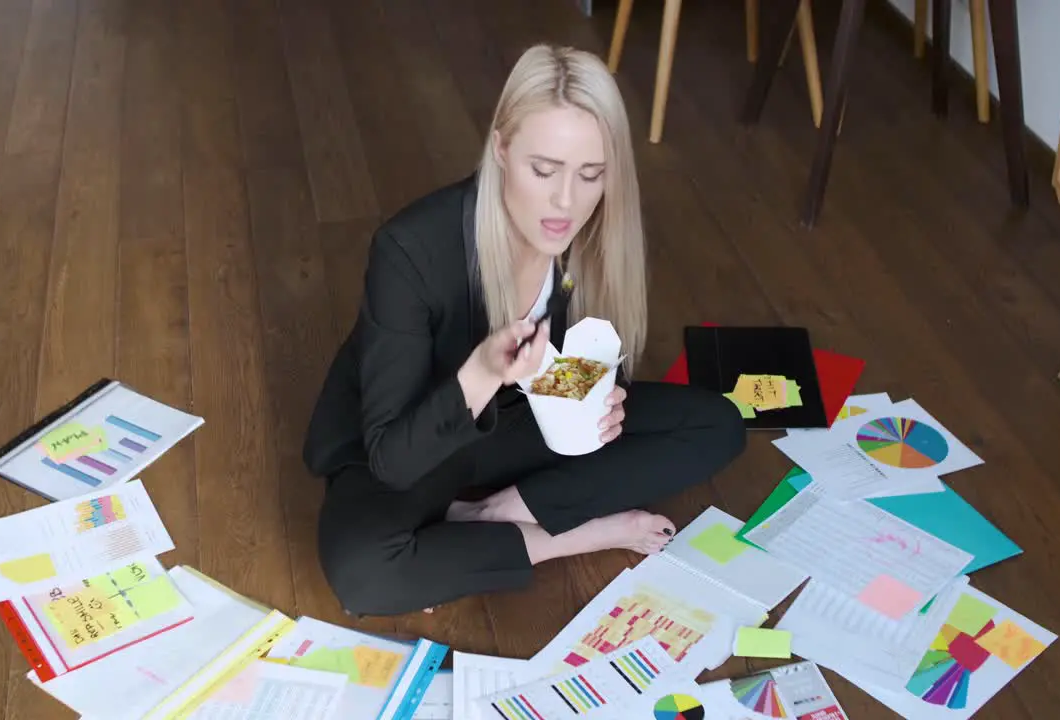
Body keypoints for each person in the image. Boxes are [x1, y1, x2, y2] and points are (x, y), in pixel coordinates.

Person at [302, 44, 746, 617]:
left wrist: (595, 398)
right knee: (365, 575)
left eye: (591, 175)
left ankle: (493, 515)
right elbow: (393, 459)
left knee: (718, 425)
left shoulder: (593, 231)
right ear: (501, 150)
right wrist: (484, 370)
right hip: (424, 439)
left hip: (524, 426)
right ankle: (569, 534)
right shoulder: (409, 250)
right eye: (544, 170)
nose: (567, 201)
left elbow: (592, 358)